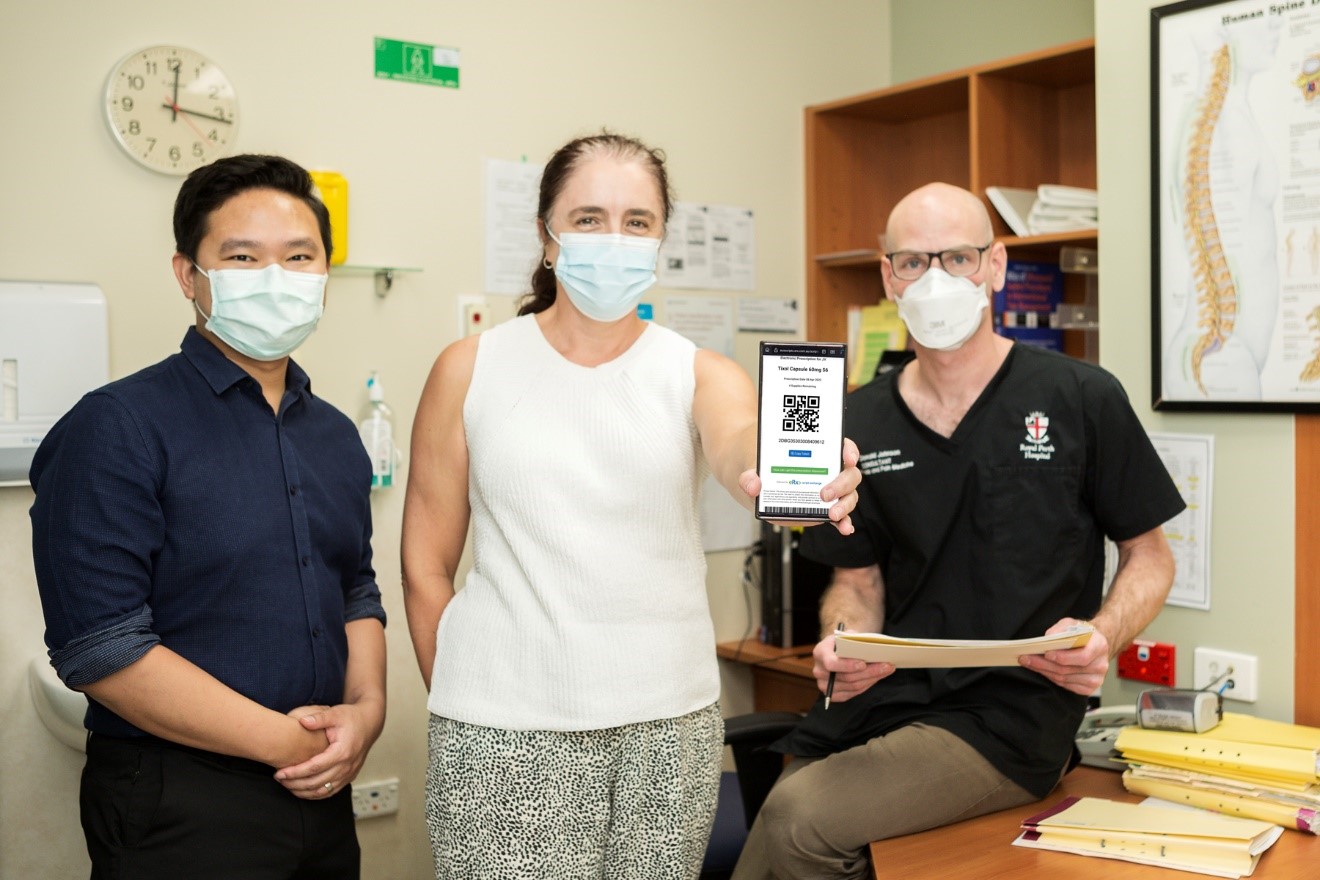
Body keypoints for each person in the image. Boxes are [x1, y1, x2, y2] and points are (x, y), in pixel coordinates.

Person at [401, 132, 861, 880]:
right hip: (501, 730)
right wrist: (462, 698)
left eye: (636, 222)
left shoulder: (695, 371)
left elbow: (740, 443)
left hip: (667, 729)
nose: (613, 239)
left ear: (659, 243)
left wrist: (796, 475)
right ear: (547, 240)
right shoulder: (471, 367)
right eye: (588, 218)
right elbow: (424, 565)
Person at [731, 182, 1187, 880]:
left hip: (1012, 713)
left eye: (959, 258)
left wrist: (1105, 634)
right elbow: (856, 582)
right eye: (913, 262)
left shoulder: (1079, 398)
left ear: (996, 267)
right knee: (789, 813)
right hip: (887, 701)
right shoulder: (860, 421)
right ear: (889, 277)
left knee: (798, 818)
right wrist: (843, 643)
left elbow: (1149, 555)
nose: (936, 279)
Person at [29, 154, 387, 880]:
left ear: (324, 273)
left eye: (299, 257)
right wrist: (284, 743)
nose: (276, 277)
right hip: (178, 800)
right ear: (188, 275)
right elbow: (100, 647)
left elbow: (355, 588)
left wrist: (368, 712)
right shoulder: (118, 426)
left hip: (322, 790)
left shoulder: (336, 437)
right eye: (243, 257)